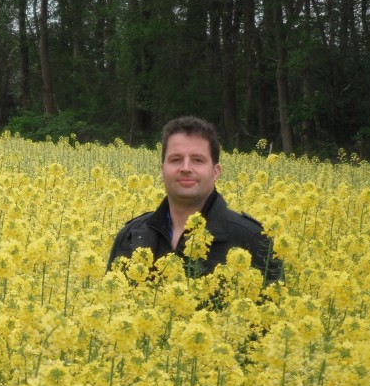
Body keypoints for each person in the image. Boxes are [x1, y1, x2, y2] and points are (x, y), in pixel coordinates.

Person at [107, 116, 283, 296]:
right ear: (162, 171)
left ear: (216, 172)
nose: (185, 168)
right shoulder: (130, 236)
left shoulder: (253, 240)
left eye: (198, 160)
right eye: (176, 159)